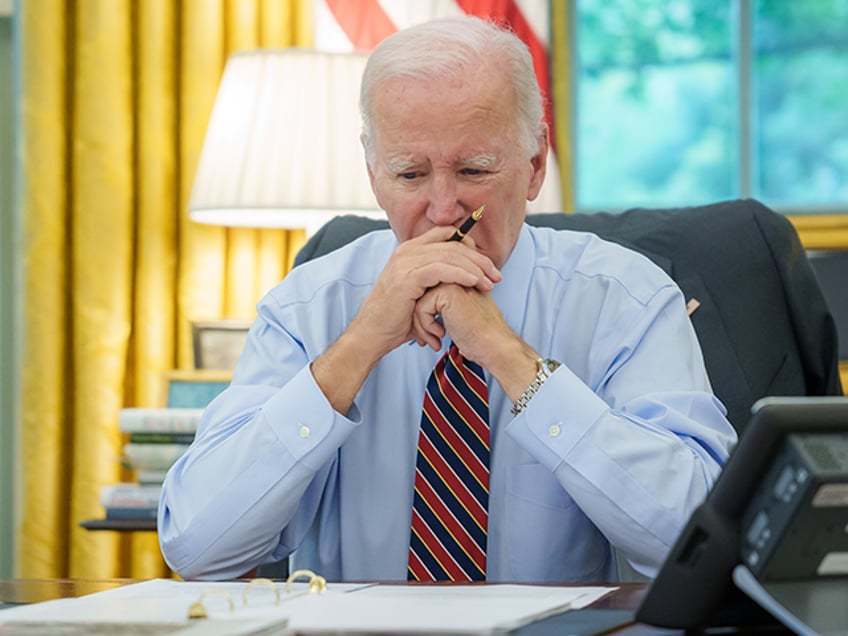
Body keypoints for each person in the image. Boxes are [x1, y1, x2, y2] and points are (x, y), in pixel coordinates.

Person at [159, 15, 736, 582]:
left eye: (473, 169)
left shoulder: (626, 301)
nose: (442, 210)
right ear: (373, 173)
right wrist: (357, 348)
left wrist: (511, 359)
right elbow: (197, 546)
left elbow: (701, 544)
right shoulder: (307, 308)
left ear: (534, 167)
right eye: (410, 174)